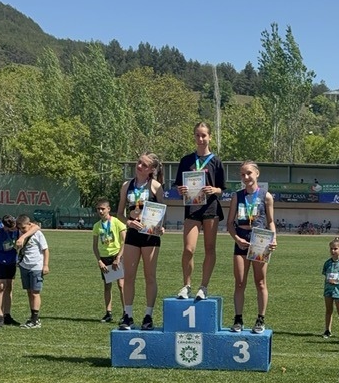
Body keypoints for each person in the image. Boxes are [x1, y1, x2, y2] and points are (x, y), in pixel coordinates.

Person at [174, 121, 225, 301]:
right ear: (194, 136)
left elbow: (222, 189)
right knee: (189, 249)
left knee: (209, 248)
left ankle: (203, 287)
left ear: (210, 137)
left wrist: (214, 189)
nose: (201, 138)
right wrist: (180, 190)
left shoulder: (216, 161)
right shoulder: (186, 160)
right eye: (198, 135)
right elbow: (178, 186)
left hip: (210, 208)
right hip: (192, 207)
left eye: (204, 135)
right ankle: (186, 285)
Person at [226, 160, 276, 334]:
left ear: (257, 173)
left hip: (260, 240)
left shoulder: (266, 196)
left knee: (260, 282)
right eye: (242, 174)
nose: (246, 177)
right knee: (240, 282)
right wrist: (237, 238)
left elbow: (271, 222)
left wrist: (274, 239)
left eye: (249, 173)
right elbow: (229, 223)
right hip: (242, 239)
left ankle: (260, 319)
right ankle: (238, 319)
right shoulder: (236, 196)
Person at [117, 152, 165, 330]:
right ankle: (128, 315)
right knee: (128, 276)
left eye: (144, 165)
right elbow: (119, 213)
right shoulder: (126, 185)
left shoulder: (156, 187)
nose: (139, 167)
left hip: (150, 235)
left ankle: (148, 316)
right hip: (132, 235)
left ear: (151, 169)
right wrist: (128, 222)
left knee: (149, 276)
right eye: (139, 163)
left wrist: (160, 227)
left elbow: (162, 212)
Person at [0, 214, 39, 327]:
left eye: (13, 228)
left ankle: (7, 315)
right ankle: (0, 315)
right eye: (9, 229)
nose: (12, 230)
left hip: (12, 259)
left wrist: (22, 237)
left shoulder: (17, 225)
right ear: (4, 226)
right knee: (1, 286)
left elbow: (36, 227)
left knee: (9, 286)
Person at [92, 197, 127, 323]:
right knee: (107, 286)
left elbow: (124, 241)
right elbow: (95, 246)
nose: (100, 211)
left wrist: (118, 257)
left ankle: (126, 313)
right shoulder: (97, 226)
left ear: (108, 209)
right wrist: (99, 261)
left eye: (102, 209)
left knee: (121, 285)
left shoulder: (117, 222)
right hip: (105, 258)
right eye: (98, 209)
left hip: (117, 256)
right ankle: (108, 313)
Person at [15, 214, 49, 328]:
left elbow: (45, 250)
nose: (22, 230)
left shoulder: (37, 234)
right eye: (20, 228)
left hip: (36, 266)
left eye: (24, 228)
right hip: (24, 265)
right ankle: (33, 317)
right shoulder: (19, 232)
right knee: (29, 292)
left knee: (35, 292)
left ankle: (35, 319)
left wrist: (45, 265)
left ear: (30, 224)